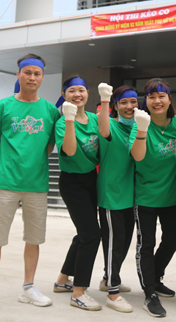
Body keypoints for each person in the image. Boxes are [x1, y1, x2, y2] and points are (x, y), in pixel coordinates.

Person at [0, 54, 61, 316]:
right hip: (6, 183)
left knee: (34, 239)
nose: (32, 77)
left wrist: (30, 165)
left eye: (37, 73)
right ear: (19, 74)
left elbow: (49, 145)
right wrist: (8, 166)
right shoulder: (2, 107)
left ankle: (28, 288)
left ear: (42, 77)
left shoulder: (50, 111)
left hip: (37, 184)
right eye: (27, 72)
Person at [129, 78, 176, 317]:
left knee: (172, 240)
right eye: (151, 96)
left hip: (173, 196)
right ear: (146, 101)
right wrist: (142, 129)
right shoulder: (140, 123)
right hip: (146, 196)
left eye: (161, 96)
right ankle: (149, 292)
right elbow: (137, 156)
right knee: (146, 245)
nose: (157, 100)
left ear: (170, 99)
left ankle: (155, 276)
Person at [53, 75, 103, 311]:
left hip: (92, 179)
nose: (77, 94)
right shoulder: (62, 123)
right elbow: (71, 150)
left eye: (81, 90)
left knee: (84, 233)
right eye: (72, 91)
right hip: (72, 182)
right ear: (64, 96)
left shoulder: (94, 119)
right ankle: (79, 292)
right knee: (91, 235)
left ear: (87, 94)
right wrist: (70, 119)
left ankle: (63, 280)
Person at [96, 84, 139, 312]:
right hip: (112, 195)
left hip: (131, 196)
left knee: (123, 242)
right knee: (113, 244)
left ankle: (108, 278)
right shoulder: (110, 124)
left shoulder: (141, 126)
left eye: (133, 102)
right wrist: (105, 99)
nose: (129, 106)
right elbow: (103, 129)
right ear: (116, 106)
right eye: (123, 102)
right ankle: (113, 293)